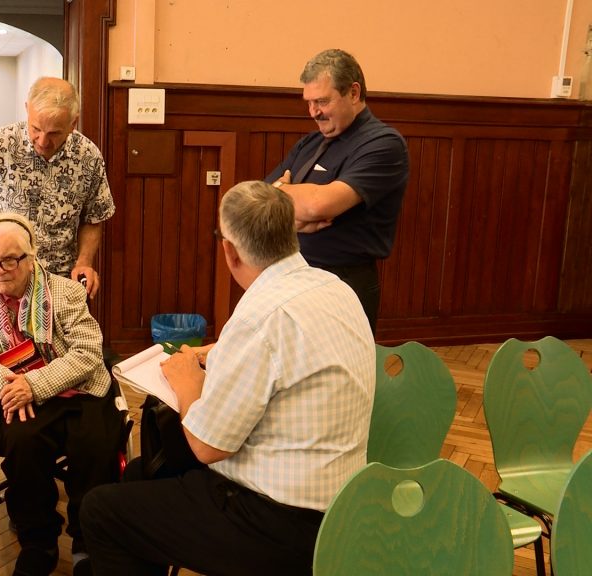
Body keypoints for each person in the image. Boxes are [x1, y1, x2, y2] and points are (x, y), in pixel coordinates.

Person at [80, 181, 375, 576]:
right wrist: (216, 351)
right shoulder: (335, 287)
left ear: (229, 250)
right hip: (343, 507)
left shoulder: (259, 317)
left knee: (102, 511)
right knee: (139, 477)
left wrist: (188, 378)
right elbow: (286, 355)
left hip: (279, 522)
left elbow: (207, 445)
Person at [0, 213, 124, 576]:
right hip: (16, 394)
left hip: (78, 389)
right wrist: (4, 381)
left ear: (31, 257)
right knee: (22, 442)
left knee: (95, 443)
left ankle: (88, 544)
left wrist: (34, 384)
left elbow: (88, 352)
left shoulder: (65, 291)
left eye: (10, 260)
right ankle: (38, 542)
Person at [268, 48, 409, 332]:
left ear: (354, 93)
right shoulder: (309, 143)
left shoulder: (383, 144)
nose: (314, 112)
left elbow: (319, 206)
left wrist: (285, 193)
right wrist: (295, 215)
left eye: (322, 101)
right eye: (309, 102)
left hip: (343, 285)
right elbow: (260, 198)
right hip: (291, 276)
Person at [0, 76, 114, 298]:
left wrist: (84, 261)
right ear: (27, 110)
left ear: (73, 123)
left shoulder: (88, 156)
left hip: (60, 283)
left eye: (54, 133)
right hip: (2, 277)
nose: (43, 141)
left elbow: (94, 216)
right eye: (36, 128)